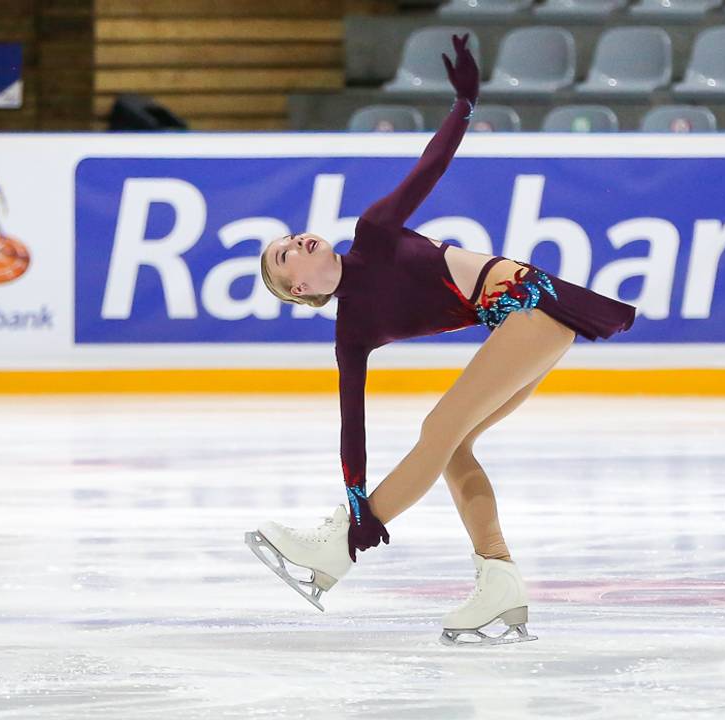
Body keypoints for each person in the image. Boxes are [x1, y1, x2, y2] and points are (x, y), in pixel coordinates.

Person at [246, 35, 636, 645]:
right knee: (452, 446)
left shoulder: (373, 231)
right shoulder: (353, 332)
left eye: (293, 237)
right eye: (284, 256)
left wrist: (464, 106)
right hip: (526, 326)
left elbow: (431, 164)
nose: (297, 241)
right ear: (298, 289)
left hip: (534, 302)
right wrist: (354, 495)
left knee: (439, 428)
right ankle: (498, 576)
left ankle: (338, 552)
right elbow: (353, 420)